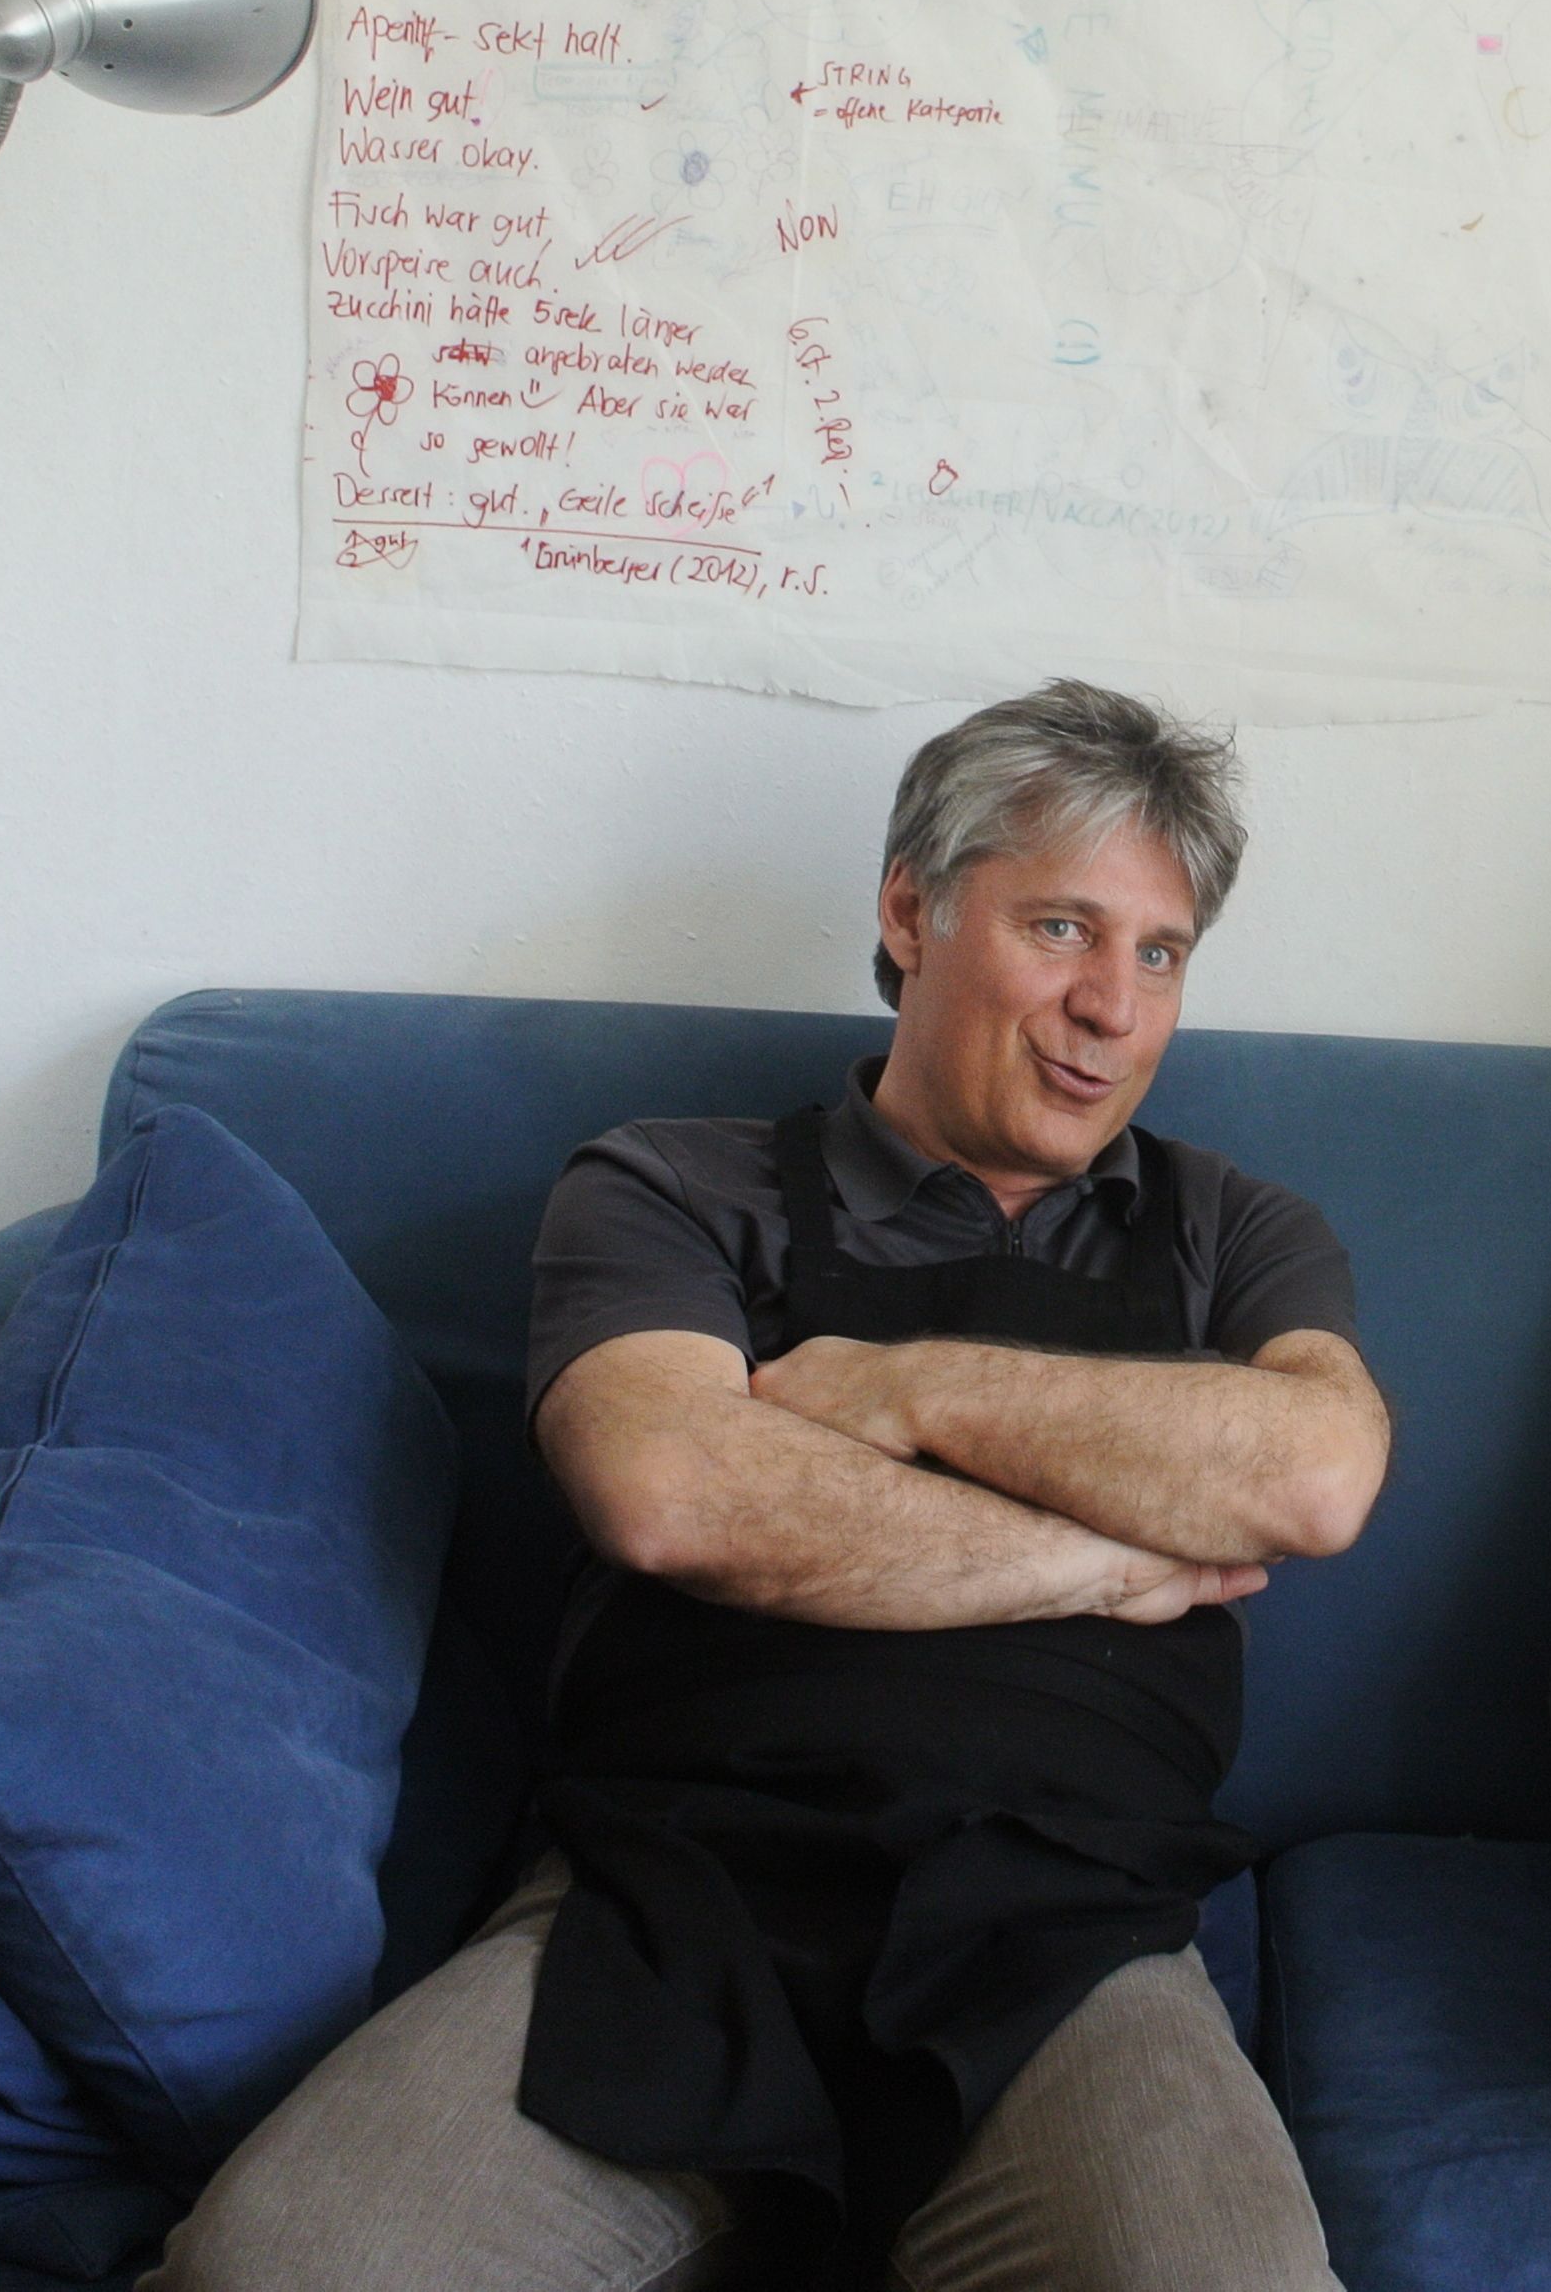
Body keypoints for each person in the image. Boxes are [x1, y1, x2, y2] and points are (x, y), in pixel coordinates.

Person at [149, 680, 1390, 2292]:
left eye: (1161, 955)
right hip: (667, 1905)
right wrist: (1105, 1555)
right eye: (1063, 929)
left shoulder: (1237, 1229)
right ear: (910, 912)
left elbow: (1317, 1473)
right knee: (281, 2270)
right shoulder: (676, 1183)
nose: (1112, 1007)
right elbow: (674, 1491)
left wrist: (905, 1389)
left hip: (1072, 1938)